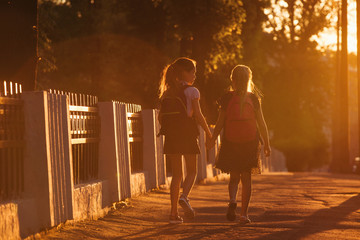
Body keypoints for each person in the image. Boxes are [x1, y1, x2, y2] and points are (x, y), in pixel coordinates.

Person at [207, 65, 271, 224]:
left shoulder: (227, 98)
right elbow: (261, 123)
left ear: (232, 80)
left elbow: (220, 122)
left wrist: (213, 138)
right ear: (249, 80)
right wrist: (267, 144)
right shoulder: (254, 99)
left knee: (234, 177)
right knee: (246, 178)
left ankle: (233, 200)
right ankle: (244, 215)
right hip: (249, 143)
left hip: (231, 141)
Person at [158, 57, 212, 224]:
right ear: (184, 73)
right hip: (188, 134)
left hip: (172, 136)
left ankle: (173, 214)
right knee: (192, 171)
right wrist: (210, 134)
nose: (195, 75)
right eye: (193, 71)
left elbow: (161, 118)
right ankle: (184, 197)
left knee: (176, 175)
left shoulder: (167, 93)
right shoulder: (192, 91)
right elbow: (198, 114)